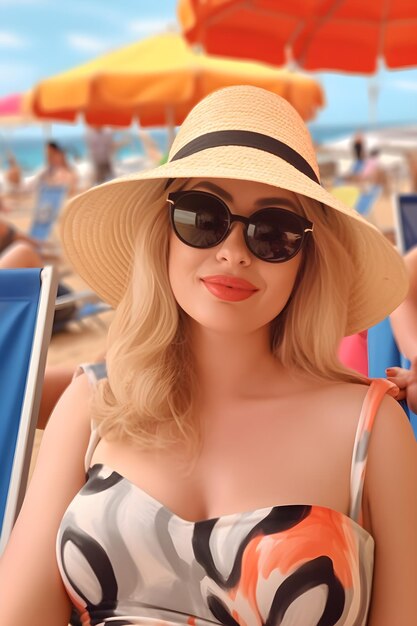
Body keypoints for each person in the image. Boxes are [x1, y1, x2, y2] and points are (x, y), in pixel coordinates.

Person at [0, 85, 415, 626]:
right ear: (163, 233)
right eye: (202, 216)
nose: (233, 252)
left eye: (274, 232)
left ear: (305, 259)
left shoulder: (373, 430)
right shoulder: (93, 403)